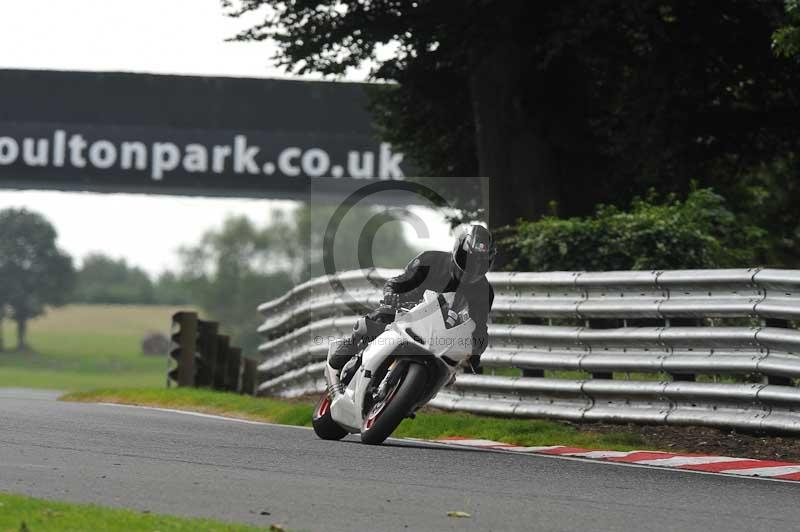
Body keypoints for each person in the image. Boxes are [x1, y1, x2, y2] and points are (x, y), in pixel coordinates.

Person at [329, 224, 496, 373]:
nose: (472, 267)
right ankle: (352, 344)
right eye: (468, 259)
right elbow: (398, 282)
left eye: (479, 263)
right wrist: (391, 295)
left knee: (449, 372)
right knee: (380, 316)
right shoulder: (430, 260)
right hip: (408, 313)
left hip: (441, 336)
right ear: (457, 250)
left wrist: (475, 353)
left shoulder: (484, 291)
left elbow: (478, 327)